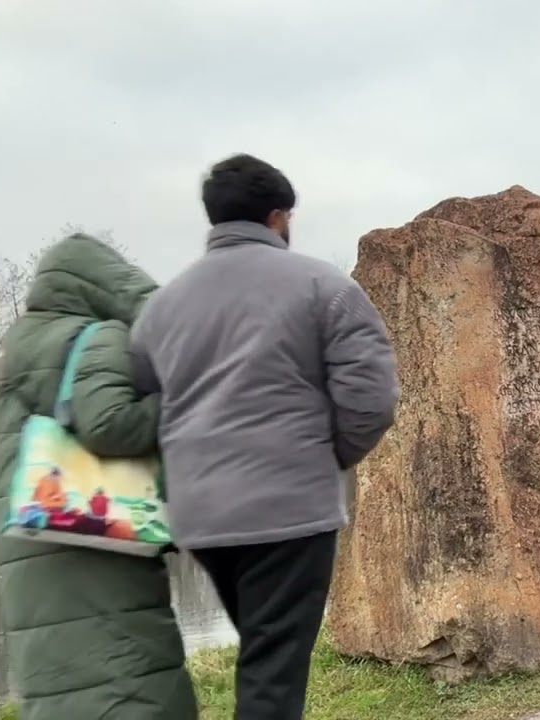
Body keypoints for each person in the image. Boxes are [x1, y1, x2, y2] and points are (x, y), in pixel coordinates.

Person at [129, 153, 400, 719]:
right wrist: (329, 457)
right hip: (288, 510)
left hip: (201, 517)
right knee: (273, 676)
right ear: (279, 216)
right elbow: (371, 396)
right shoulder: (323, 287)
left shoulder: (161, 307)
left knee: (261, 653)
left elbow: (143, 399)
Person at [0, 233, 198, 720]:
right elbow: (108, 423)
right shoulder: (96, 335)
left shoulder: (19, 348)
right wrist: (179, 406)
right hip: (98, 567)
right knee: (131, 691)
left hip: (38, 564)